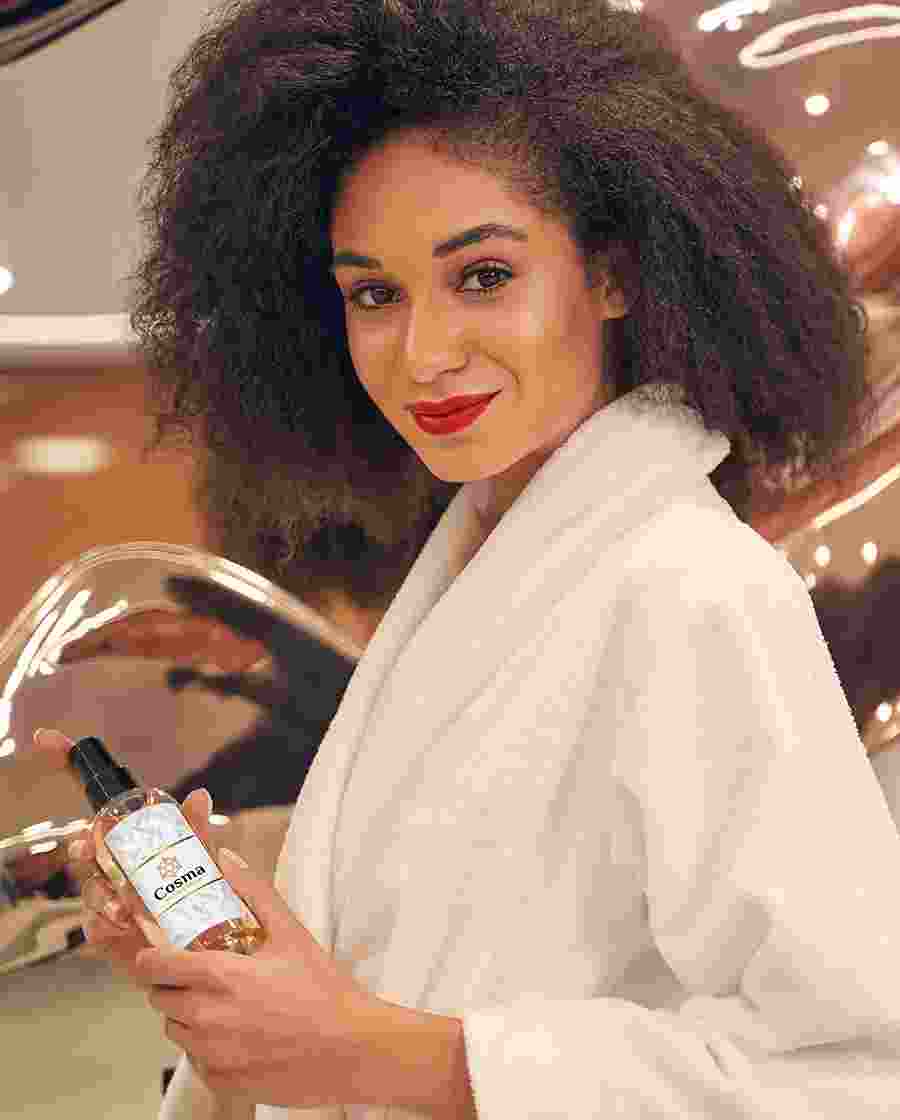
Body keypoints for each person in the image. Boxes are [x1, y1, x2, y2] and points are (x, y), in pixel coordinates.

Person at [34, 0, 900, 1117]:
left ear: (614, 275)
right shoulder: (470, 572)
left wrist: (382, 1053)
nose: (425, 353)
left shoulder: (695, 590)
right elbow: (439, 967)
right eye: (374, 294)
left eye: (483, 275)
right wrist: (251, 969)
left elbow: (853, 1074)